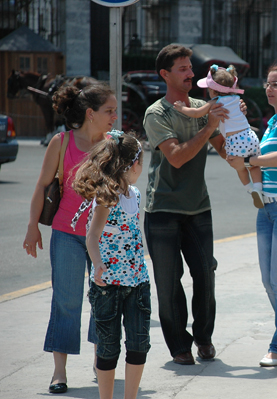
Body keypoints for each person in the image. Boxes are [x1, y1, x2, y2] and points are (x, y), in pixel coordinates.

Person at [23, 82, 116, 394]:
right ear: (90, 114)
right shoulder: (61, 142)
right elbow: (41, 186)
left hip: (104, 237)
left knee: (103, 300)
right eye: (109, 111)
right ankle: (59, 372)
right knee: (66, 301)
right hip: (66, 234)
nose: (115, 116)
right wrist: (32, 226)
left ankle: (98, 360)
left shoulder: (113, 144)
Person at [143, 44, 230, 365]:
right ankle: (179, 346)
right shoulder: (156, 113)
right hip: (162, 210)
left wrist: (235, 125)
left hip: (198, 208)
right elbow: (176, 158)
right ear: (165, 74)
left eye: (191, 67)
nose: (191, 73)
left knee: (206, 274)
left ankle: (204, 338)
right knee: (168, 282)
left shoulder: (203, 106)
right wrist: (209, 127)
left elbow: (225, 149)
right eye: (182, 69)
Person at [227, 64, 277, 367]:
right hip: (269, 209)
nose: (269, 88)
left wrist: (250, 158)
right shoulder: (274, 120)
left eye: (276, 83)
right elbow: (256, 169)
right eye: (267, 83)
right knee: (269, 280)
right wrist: (242, 163)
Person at [72, 131, 150, 399]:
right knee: (108, 348)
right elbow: (91, 236)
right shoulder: (107, 197)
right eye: (141, 161)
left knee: (139, 345)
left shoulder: (136, 194)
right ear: (132, 164)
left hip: (138, 282)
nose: (143, 167)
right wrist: (97, 265)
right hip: (108, 286)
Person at [174, 64, 263, 208]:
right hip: (250, 136)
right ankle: (258, 189)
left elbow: (197, 113)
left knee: (241, 168)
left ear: (214, 91)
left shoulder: (215, 102)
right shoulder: (237, 99)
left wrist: (181, 108)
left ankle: (249, 189)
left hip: (234, 142)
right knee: (254, 166)